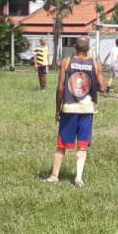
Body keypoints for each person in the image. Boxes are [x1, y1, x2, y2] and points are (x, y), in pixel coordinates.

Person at [46, 36, 104, 187]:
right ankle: (78, 178)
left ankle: (54, 176)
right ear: (88, 48)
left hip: (69, 108)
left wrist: (57, 109)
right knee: (82, 145)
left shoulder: (67, 62)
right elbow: (102, 87)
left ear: (74, 47)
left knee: (62, 144)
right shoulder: (95, 64)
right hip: (87, 109)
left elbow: (60, 89)